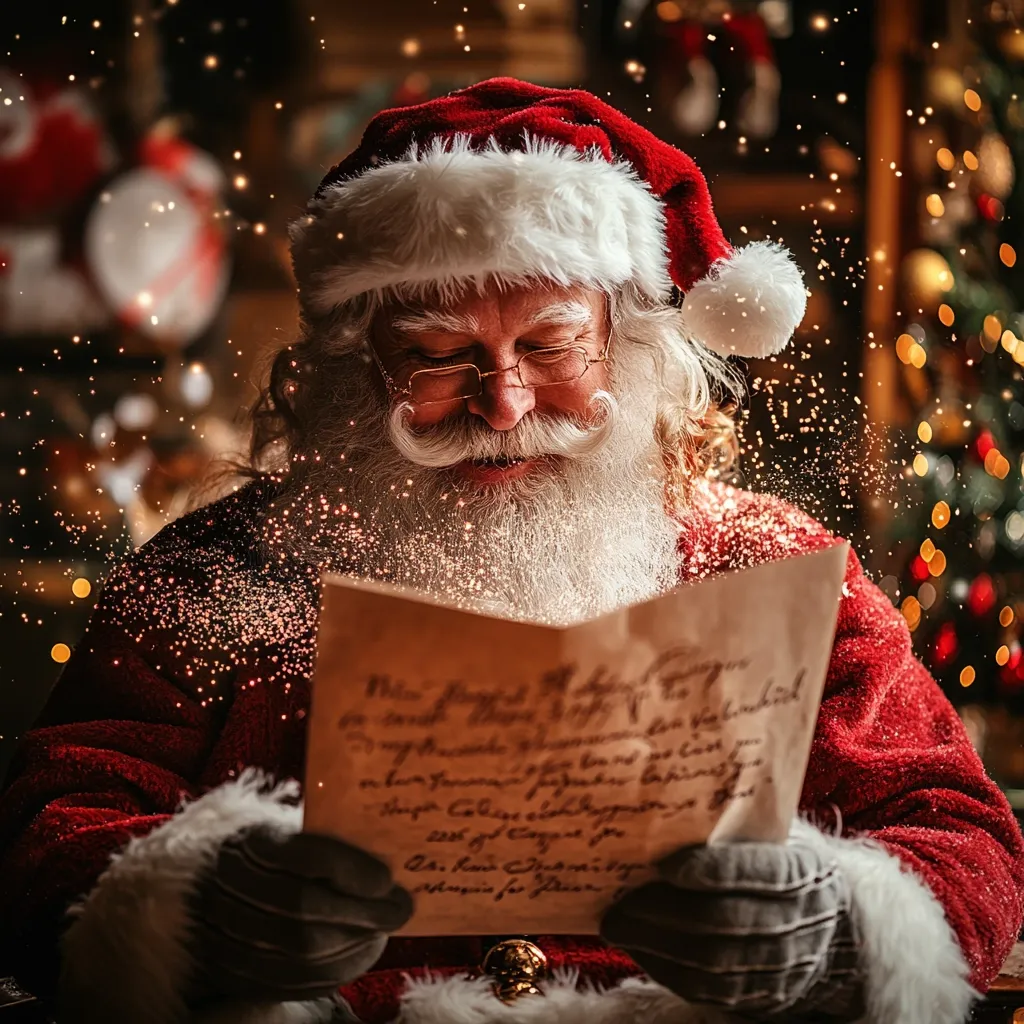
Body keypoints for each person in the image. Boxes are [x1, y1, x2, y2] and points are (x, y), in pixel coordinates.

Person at [0, 78, 1021, 1024]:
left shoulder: (773, 566)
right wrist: (188, 904)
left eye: (549, 345)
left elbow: (962, 837)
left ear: (625, 342)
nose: (503, 403)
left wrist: (839, 924)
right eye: (439, 355)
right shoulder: (214, 577)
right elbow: (43, 826)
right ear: (356, 367)